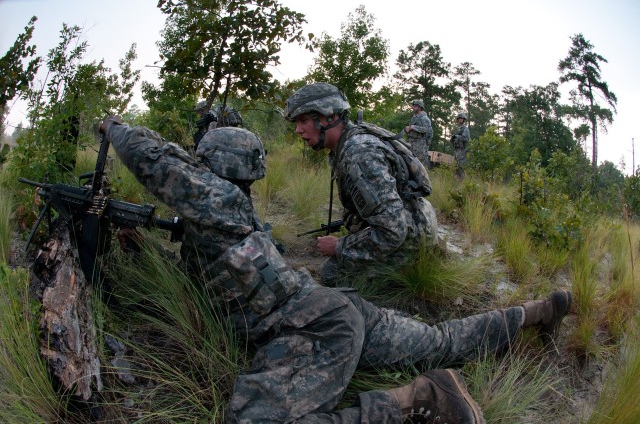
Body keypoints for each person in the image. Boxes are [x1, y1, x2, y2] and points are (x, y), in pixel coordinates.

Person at [99, 115, 572, 423]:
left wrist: (114, 127)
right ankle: (536, 312)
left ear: (212, 166)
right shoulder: (233, 218)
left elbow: (154, 159)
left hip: (314, 328)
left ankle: (416, 400)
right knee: (439, 340)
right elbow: (202, 274)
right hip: (335, 308)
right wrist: (140, 247)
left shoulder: (217, 201)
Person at [285, 82, 439, 285]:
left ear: (330, 116)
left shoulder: (359, 153)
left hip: (410, 238)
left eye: (304, 120)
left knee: (332, 274)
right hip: (416, 222)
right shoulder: (348, 143)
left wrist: (340, 246)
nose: (298, 130)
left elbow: (392, 231)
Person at [405, 99, 433, 169]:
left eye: (415, 106)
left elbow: (426, 129)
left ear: (419, 107)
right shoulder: (414, 118)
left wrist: (413, 127)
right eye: (413, 106)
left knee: (421, 166)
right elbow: (411, 130)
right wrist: (407, 129)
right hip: (411, 144)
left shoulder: (424, 118)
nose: (413, 107)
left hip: (420, 146)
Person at [450, 112, 470, 179]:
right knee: (455, 168)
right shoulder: (457, 129)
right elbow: (453, 140)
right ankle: (456, 184)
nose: (460, 120)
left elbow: (466, 139)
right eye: (459, 118)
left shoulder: (465, 129)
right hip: (456, 150)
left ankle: (462, 183)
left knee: (461, 167)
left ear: (464, 120)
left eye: (461, 118)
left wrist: (458, 137)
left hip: (462, 151)